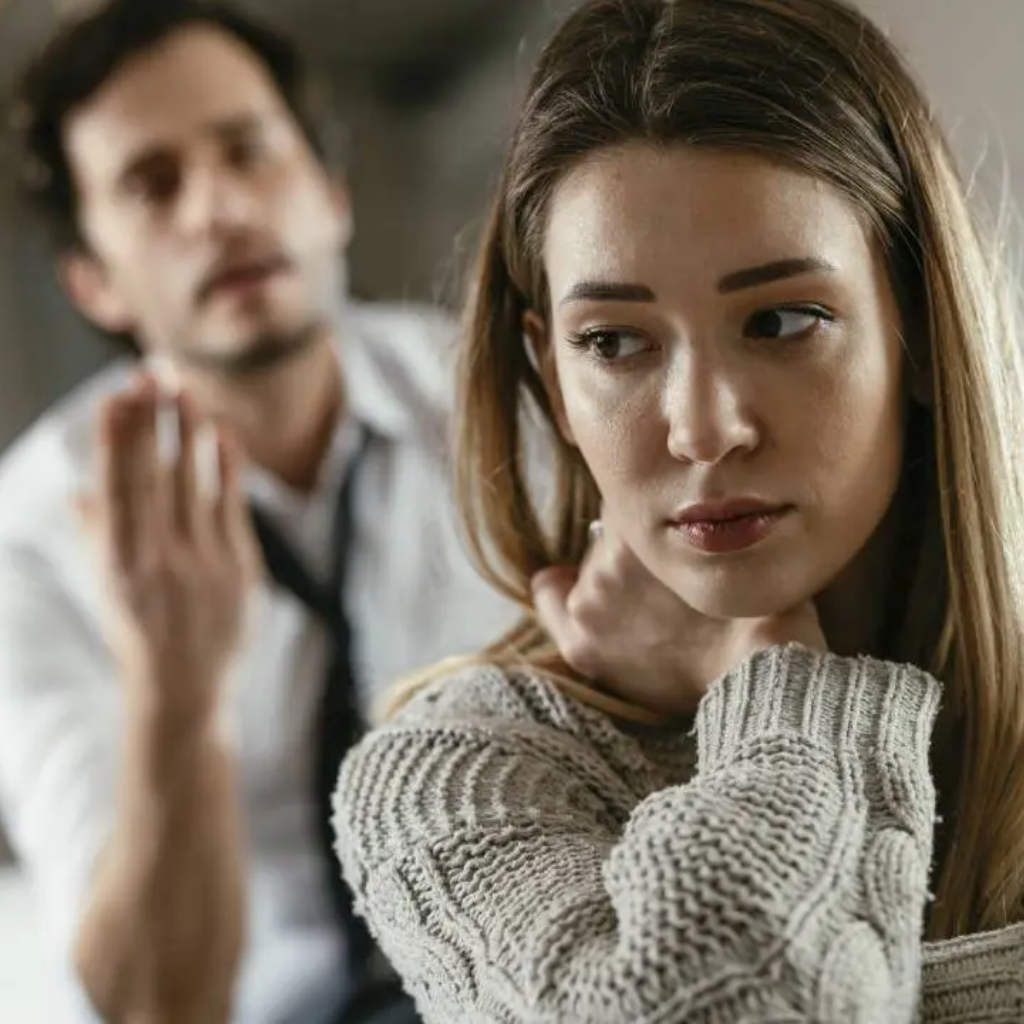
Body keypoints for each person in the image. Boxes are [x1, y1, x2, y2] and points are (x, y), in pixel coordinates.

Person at [0, 2, 694, 1022]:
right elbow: (155, 1004)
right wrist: (176, 696)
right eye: (153, 185)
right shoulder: (30, 540)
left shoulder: (512, 400)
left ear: (329, 193)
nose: (219, 210)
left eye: (249, 152)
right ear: (93, 281)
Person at [332, 0, 1024, 1019]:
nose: (702, 429)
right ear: (551, 379)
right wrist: (782, 693)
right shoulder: (460, 776)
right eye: (614, 342)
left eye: (781, 320)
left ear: (915, 329)